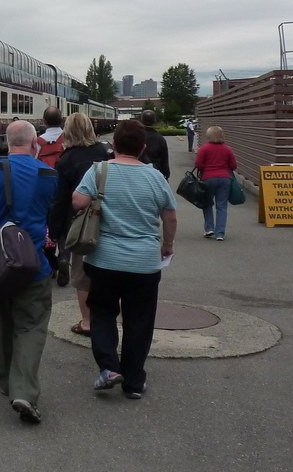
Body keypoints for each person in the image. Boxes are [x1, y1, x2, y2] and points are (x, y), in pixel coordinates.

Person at [72, 119, 177, 400]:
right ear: (143, 147)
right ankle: (133, 382)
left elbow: (78, 202)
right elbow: (170, 215)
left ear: (114, 144)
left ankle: (109, 367)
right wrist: (166, 245)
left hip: (104, 259)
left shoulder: (99, 170)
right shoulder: (155, 177)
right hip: (144, 262)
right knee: (139, 321)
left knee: (103, 312)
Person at [0, 121, 57, 425]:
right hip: (34, 265)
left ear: (6, 141)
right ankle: (24, 391)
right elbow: (57, 218)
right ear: (34, 144)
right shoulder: (48, 175)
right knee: (30, 326)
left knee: (1, 321)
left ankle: (5, 380)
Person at [47, 113, 113, 332]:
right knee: (107, 270)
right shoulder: (105, 153)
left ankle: (87, 321)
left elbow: (60, 199)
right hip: (110, 218)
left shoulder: (66, 159)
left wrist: (54, 231)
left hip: (80, 223)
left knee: (83, 273)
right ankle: (107, 316)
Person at [195, 125, 238, 240]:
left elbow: (198, 164)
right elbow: (234, 166)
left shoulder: (204, 148)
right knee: (222, 206)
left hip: (208, 179)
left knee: (207, 204)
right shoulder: (227, 149)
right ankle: (220, 233)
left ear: (208, 136)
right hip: (225, 179)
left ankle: (209, 229)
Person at [139, 110, 170, 180]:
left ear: (141, 120)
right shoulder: (160, 139)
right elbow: (164, 159)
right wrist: (166, 174)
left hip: (138, 173)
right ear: (154, 121)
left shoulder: (136, 136)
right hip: (155, 173)